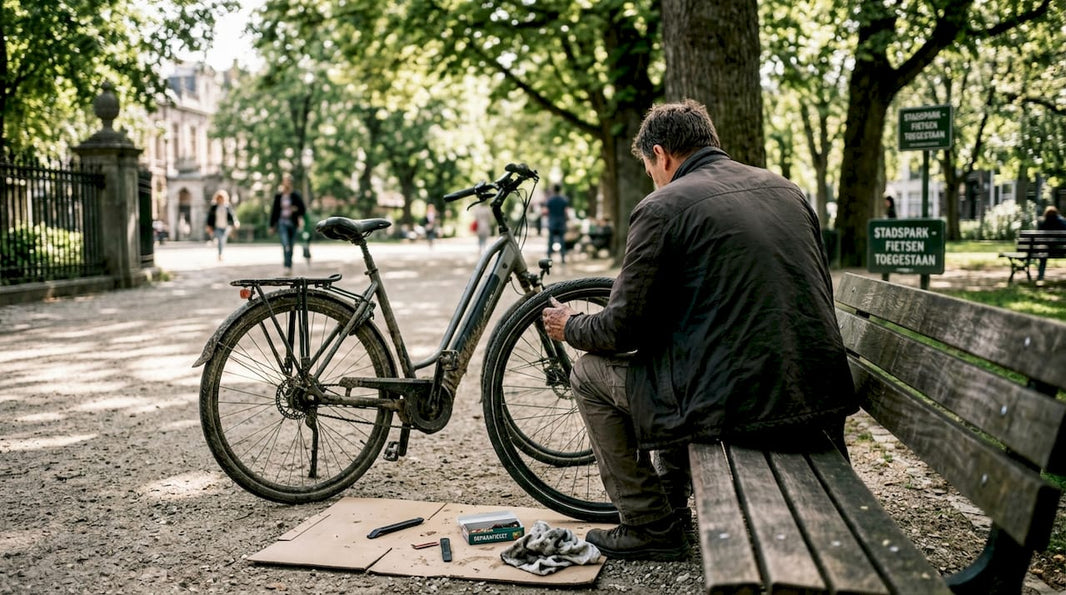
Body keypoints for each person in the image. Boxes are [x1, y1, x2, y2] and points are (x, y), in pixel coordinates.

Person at [541, 100, 856, 561]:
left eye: (650, 168)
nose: (653, 177)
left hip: (744, 409)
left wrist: (571, 325)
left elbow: (620, 330)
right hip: (817, 397)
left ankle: (649, 524)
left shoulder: (663, 207)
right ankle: (671, 501)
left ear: (661, 154)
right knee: (679, 369)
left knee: (590, 374)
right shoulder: (787, 190)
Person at [269, 173, 306, 276]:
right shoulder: (279, 196)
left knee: (291, 245)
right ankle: (286, 266)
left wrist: (296, 210)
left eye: (289, 181)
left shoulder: (295, 195)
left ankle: (289, 265)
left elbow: (303, 209)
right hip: (282, 223)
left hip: (293, 223)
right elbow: (274, 211)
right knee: (285, 244)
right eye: (285, 181)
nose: (287, 183)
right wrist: (272, 225)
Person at [205, 190, 239, 262]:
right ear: (217, 198)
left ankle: (220, 250)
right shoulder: (214, 207)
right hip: (217, 226)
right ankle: (220, 254)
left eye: (222, 198)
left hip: (225, 227)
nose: (221, 199)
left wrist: (235, 222)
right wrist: (208, 226)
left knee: (223, 241)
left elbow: (232, 216)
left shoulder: (227, 206)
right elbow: (209, 217)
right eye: (219, 198)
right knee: (220, 239)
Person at [1037, 205, 1066, 281]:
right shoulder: (1062, 222)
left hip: (1046, 250)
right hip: (1060, 250)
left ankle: (1040, 276)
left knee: (1043, 255)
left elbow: (1039, 236)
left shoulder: (1042, 222)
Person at [545, 184, 570, 263]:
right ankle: (563, 257)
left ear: (553, 190)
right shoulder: (563, 200)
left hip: (552, 222)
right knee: (562, 240)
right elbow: (566, 211)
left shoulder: (550, 200)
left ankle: (549, 257)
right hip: (561, 222)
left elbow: (546, 211)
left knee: (551, 240)